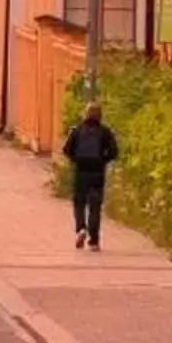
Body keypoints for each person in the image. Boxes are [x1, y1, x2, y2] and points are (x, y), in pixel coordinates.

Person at [62, 102, 118, 250]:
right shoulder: (105, 132)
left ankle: (81, 228)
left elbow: (66, 149)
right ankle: (93, 241)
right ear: (100, 115)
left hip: (81, 172)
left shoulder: (77, 130)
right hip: (97, 173)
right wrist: (103, 161)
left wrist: (76, 161)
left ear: (85, 114)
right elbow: (114, 151)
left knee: (79, 203)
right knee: (95, 206)